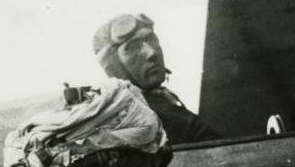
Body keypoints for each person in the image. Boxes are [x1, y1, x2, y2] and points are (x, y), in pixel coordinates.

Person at [92, 13, 222, 145]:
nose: (152, 53)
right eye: (132, 48)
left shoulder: (163, 103)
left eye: (152, 40)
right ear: (115, 65)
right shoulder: (139, 116)